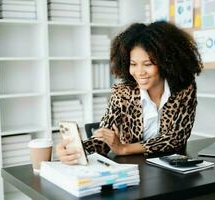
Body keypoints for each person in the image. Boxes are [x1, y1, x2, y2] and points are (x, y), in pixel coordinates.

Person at [57, 21, 203, 165]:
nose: (139, 72)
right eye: (133, 64)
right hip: (133, 170)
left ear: (166, 63)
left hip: (174, 170)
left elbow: (175, 138)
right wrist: (76, 149)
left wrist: (124, 148)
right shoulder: (122, 94)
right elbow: (102, 140)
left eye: (148, 64)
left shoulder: (184, 89)